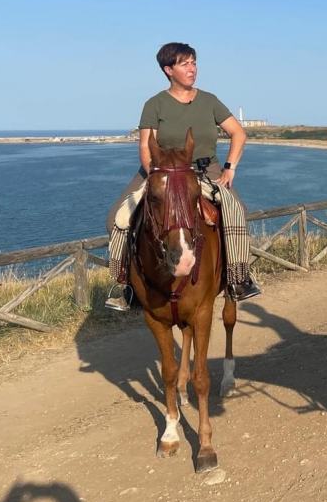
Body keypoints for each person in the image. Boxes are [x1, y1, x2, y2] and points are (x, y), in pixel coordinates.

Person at [105, 42, 261, 311]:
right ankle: (125, 285)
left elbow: (238, 133)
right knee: (117, 219)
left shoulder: (209, 101)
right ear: (169, 70)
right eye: (185, 64)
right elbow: (145, 145)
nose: (192, 68)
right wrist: (154, 174)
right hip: (161, 171)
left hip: (204, 169)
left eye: (194, 62)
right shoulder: (155, 104)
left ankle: (238, 277)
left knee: (236, 210)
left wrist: (229, 167)